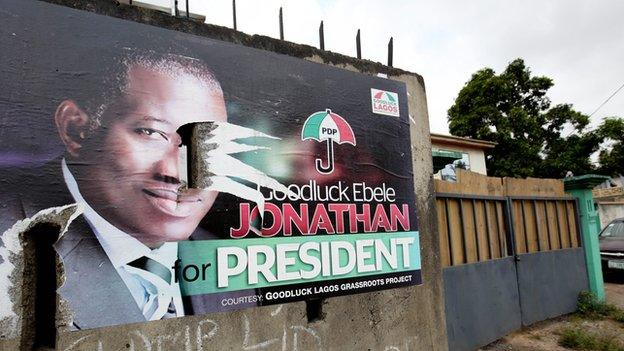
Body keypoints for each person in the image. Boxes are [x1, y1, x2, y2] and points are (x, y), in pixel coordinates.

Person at [1, 50, 228, 329]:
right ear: (75, 129)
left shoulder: (227, 262)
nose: (180, 175)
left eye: (208, 144)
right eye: (151, 133)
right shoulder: (8, 250)